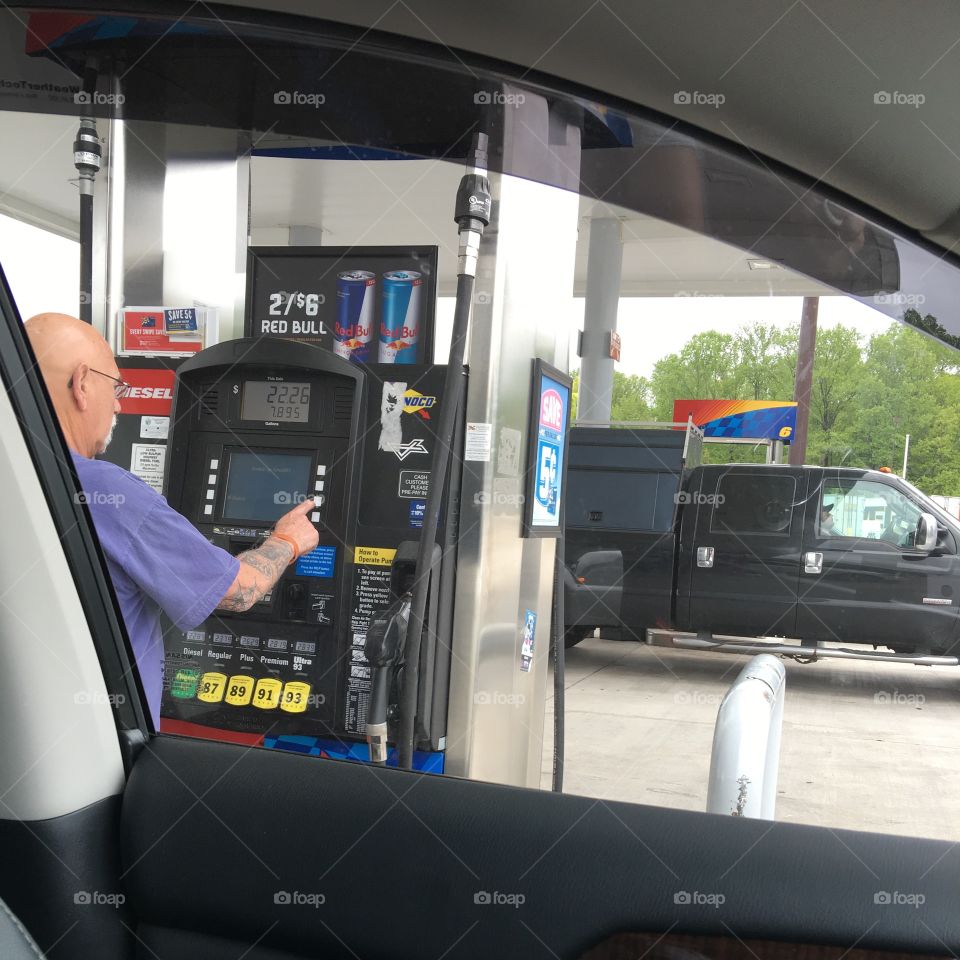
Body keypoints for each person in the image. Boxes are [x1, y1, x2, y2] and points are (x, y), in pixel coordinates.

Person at [24, 313, 320, 726]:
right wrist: (286, 542)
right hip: (103, 748)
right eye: (115, 386)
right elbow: (236, 592)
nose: (119, 403)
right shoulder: (108, 492)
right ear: (82, 384)